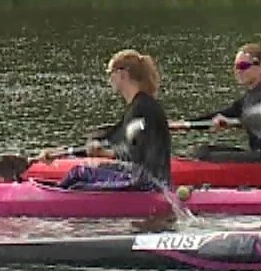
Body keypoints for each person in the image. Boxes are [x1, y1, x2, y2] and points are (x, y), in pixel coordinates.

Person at [42, 49, 172, 190]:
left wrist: (105, 153)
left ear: (123, 74)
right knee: (81, 175)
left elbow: (136, 152)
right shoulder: (137, 106)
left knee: (79, 173)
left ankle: (53, 196)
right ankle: (57, 190)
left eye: (110, 73)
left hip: (149, 183)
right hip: (145, 178)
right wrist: (60, 152)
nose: (109, 78)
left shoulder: (143, 108)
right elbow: (111, 137)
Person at [182, 42, 261, 162]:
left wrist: (230, 122)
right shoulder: (248, 97)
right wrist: (184, 124)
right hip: (256, 155)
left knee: (204, 157)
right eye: (236, 67)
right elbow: (220, 114)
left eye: (243, 66)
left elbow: (259, 117)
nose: (238, 71)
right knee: (200, 151)